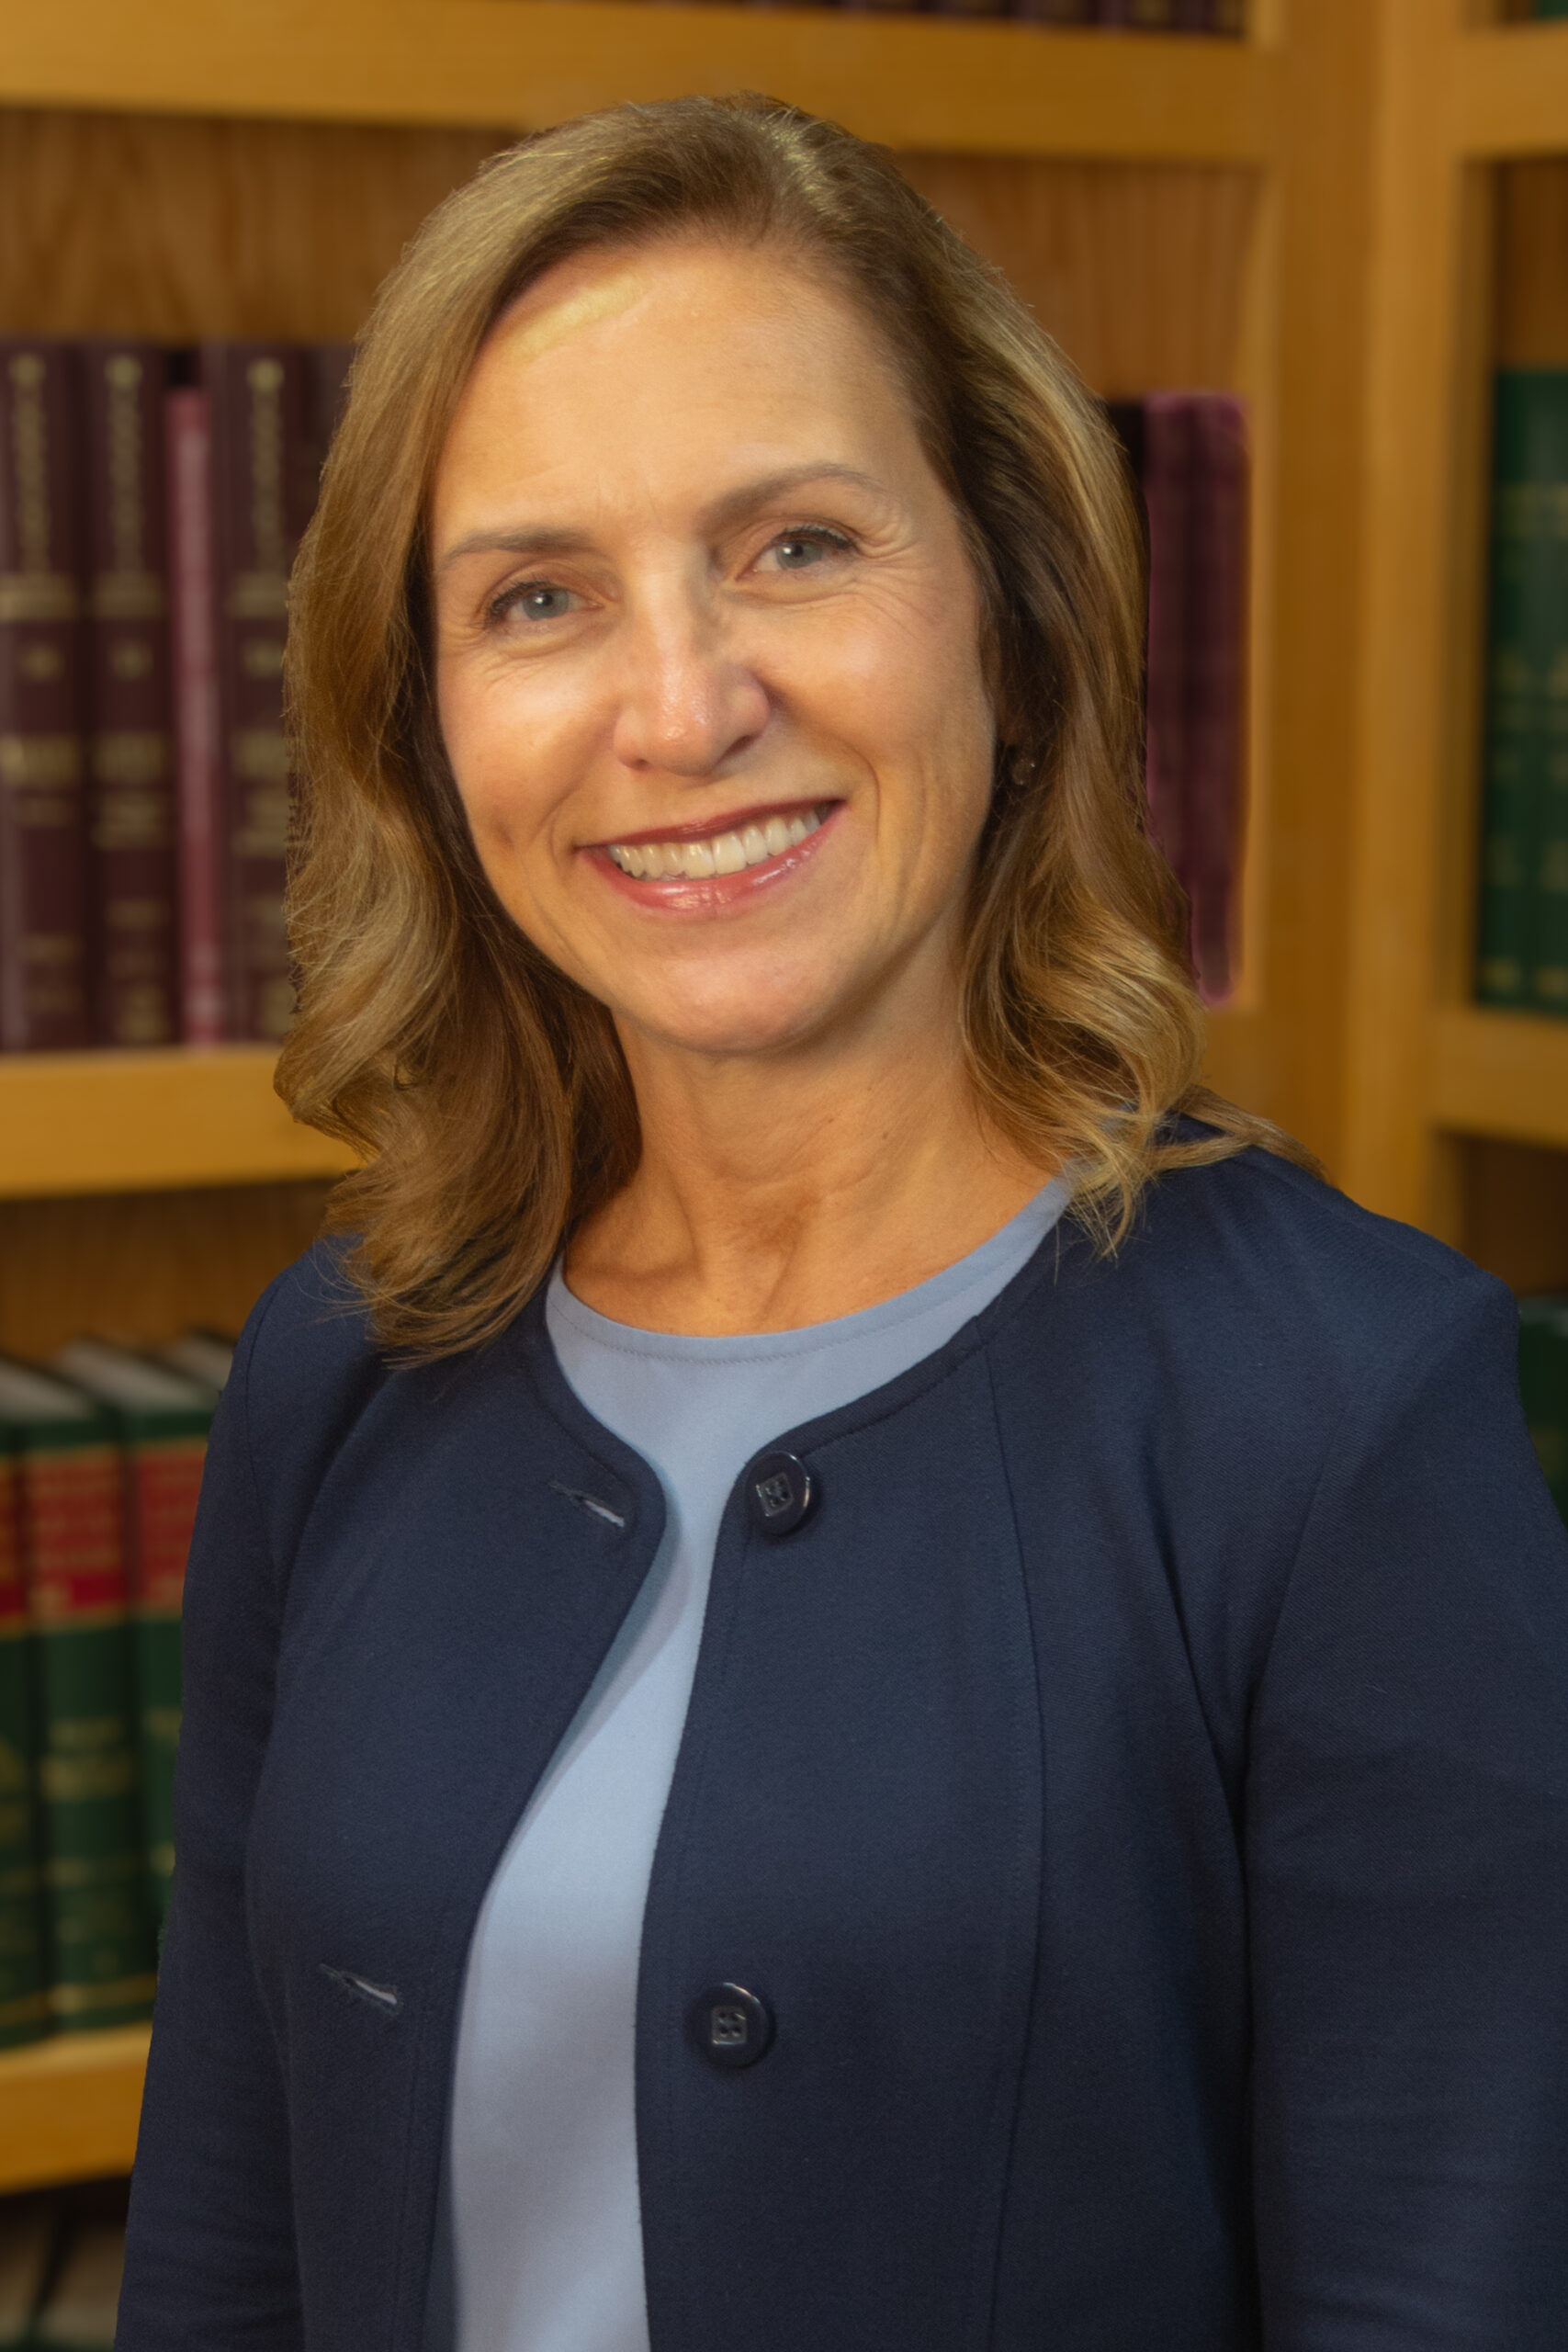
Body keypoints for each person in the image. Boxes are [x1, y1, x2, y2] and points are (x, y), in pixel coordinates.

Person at [117, 95, 1568, 2352]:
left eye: (794, 546)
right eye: (536, 597)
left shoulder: (1345, 1417)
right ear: (425, 722)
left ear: (1007, 608)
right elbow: (220, 2256)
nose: (682, 709)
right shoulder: (342, 1363)